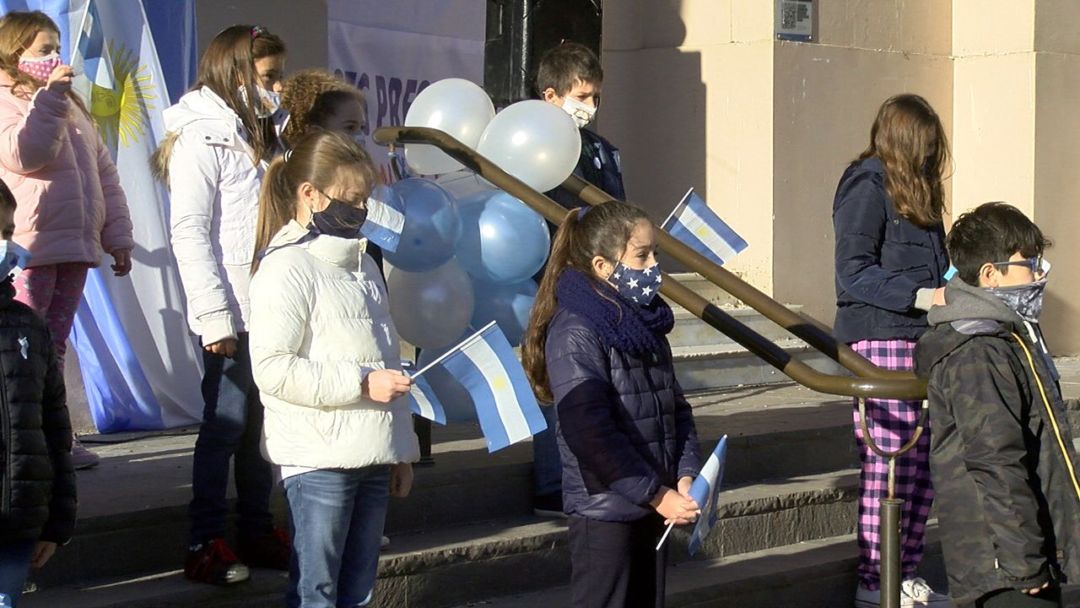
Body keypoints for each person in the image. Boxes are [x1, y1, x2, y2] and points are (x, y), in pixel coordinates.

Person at [248, 130, 418, 608]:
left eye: (365, 199)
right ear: (310, 194)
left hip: (371, 451)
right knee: (316, 592)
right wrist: (362, 383)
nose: (361, 210)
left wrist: (399, 450)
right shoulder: (286, 268)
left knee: (358, 589)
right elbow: (274, 369)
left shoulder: (362, 267)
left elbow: (386, 357)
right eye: (351, 199)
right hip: (318, 456)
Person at [153, 24, 289, 585]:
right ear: (236, 75)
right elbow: (189, 230)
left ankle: (255, 528)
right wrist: (212, 316)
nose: (277, 87)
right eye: (268, 77)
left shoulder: (266, 131)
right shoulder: (200, 135)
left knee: (262, 424)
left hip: (271, 302)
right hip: (230, 307)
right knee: (225, 421)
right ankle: (204, 539)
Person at [521, 201, 700, 608]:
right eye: (642, 255)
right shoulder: (575, 331)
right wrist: (656, 494)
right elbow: (589, 431)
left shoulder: (646, 322)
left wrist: (687, 473)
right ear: (602, 266)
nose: (654, 264)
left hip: (654, 500)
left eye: (656, 253)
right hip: (605, 509)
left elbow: (676, 408)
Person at [915, 203, 1080, 608]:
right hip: (1001, 566)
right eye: (1030, 264)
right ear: (990, 275)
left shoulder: (1010, 337)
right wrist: (1022, 561)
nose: (1040, 275)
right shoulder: (979, 351)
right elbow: (995, 460)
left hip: (1022, 553)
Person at [0, 10, 135, 471]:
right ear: (14, 51)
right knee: (19, 350)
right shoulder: (6, 101)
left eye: (57, 47)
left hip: (74, 246)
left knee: (53, 347)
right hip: (28, 248)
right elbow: (25, 154)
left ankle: (55, 442)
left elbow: (104, 174)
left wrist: (117, 234)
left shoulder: (69, 103)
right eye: (43, 49)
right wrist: (50, 100)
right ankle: (18, 443)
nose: (55, 57)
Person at [832, 93, 952, 608]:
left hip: (922, 338)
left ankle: (904, 572)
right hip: (878, 336)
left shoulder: (918, 192)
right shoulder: (867, 184)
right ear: (903, 139)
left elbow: (939, 268)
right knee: (889, 465)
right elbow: (853, 271)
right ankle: (875, 580)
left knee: (921, 466)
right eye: (924, 145)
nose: (930, 155)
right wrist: (922, 296)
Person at [531, 40, 627, 518]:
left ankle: (596, 471)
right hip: (554, 277)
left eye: (595, 97)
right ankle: (553, 480)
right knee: (560, 379)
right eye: (581, 96)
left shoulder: (602, 151)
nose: (590, 107)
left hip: (601, 278)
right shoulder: (533, 147)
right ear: (551, 96)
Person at [0, 177, 76, 607]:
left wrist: (55, 522)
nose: (3, 243)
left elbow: (53, 425)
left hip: (17, 525)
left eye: (8, 232)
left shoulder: (29, 327)